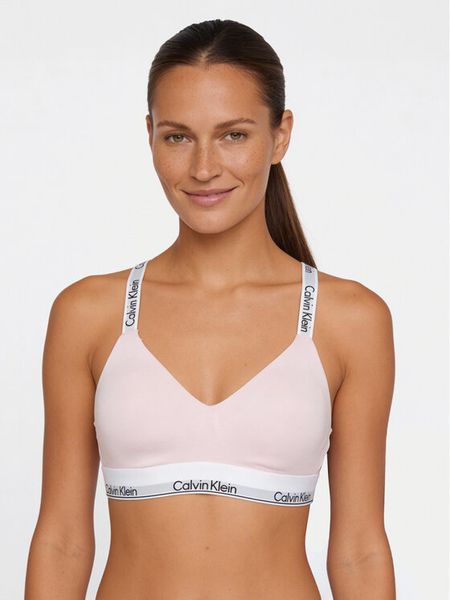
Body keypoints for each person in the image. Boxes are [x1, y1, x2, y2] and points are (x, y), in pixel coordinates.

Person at [25, 18, 396, 600]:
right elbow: (62, 541)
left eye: (233, 135)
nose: (203, 168)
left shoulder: (349, 321)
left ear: (280, 136)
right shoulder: (89, 315)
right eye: (177, 137)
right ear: (150, 136)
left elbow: (359, 550)